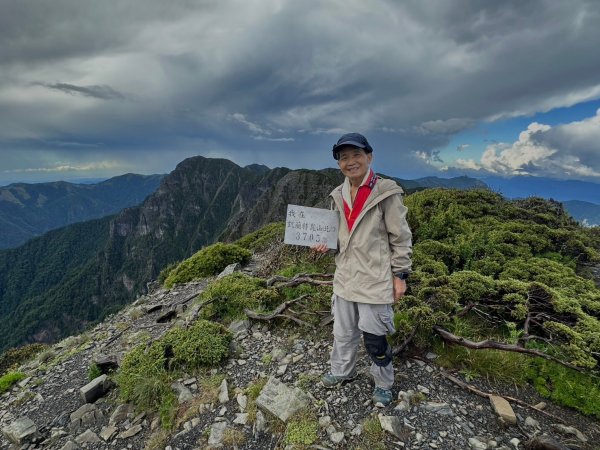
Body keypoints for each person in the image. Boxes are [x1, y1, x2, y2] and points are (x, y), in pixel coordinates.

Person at [313, 132, 412, 407]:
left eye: (356, 155)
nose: (350, 162)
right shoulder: (338, 195)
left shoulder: (386, 192)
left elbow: (401, 237)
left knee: (375, 337)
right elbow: (339, 239)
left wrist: (400, 275)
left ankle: (383, 383)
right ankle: (342, 371)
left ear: (369, 156)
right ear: (338, 164)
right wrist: (325, 245)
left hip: (374, 279)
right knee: (343, 332)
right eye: (344, 157)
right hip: (345, 278)